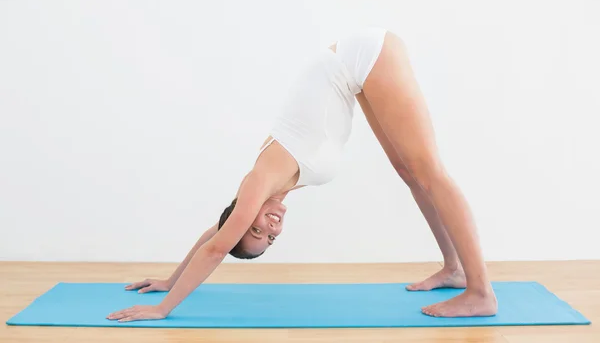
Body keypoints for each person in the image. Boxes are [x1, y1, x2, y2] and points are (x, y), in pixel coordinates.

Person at [107, 28, 498, 322]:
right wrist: (171, 279)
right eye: (269, 239)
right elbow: (216, 232)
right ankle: (455, 269)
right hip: (355, 72)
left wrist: (163, 308)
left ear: (241, 214)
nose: (271, 229)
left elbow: (216, 246)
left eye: (256, 230)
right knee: (409, 171)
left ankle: (480, 292)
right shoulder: (271, 189)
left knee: (430, 172)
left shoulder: (258, 182)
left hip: (363, 57)